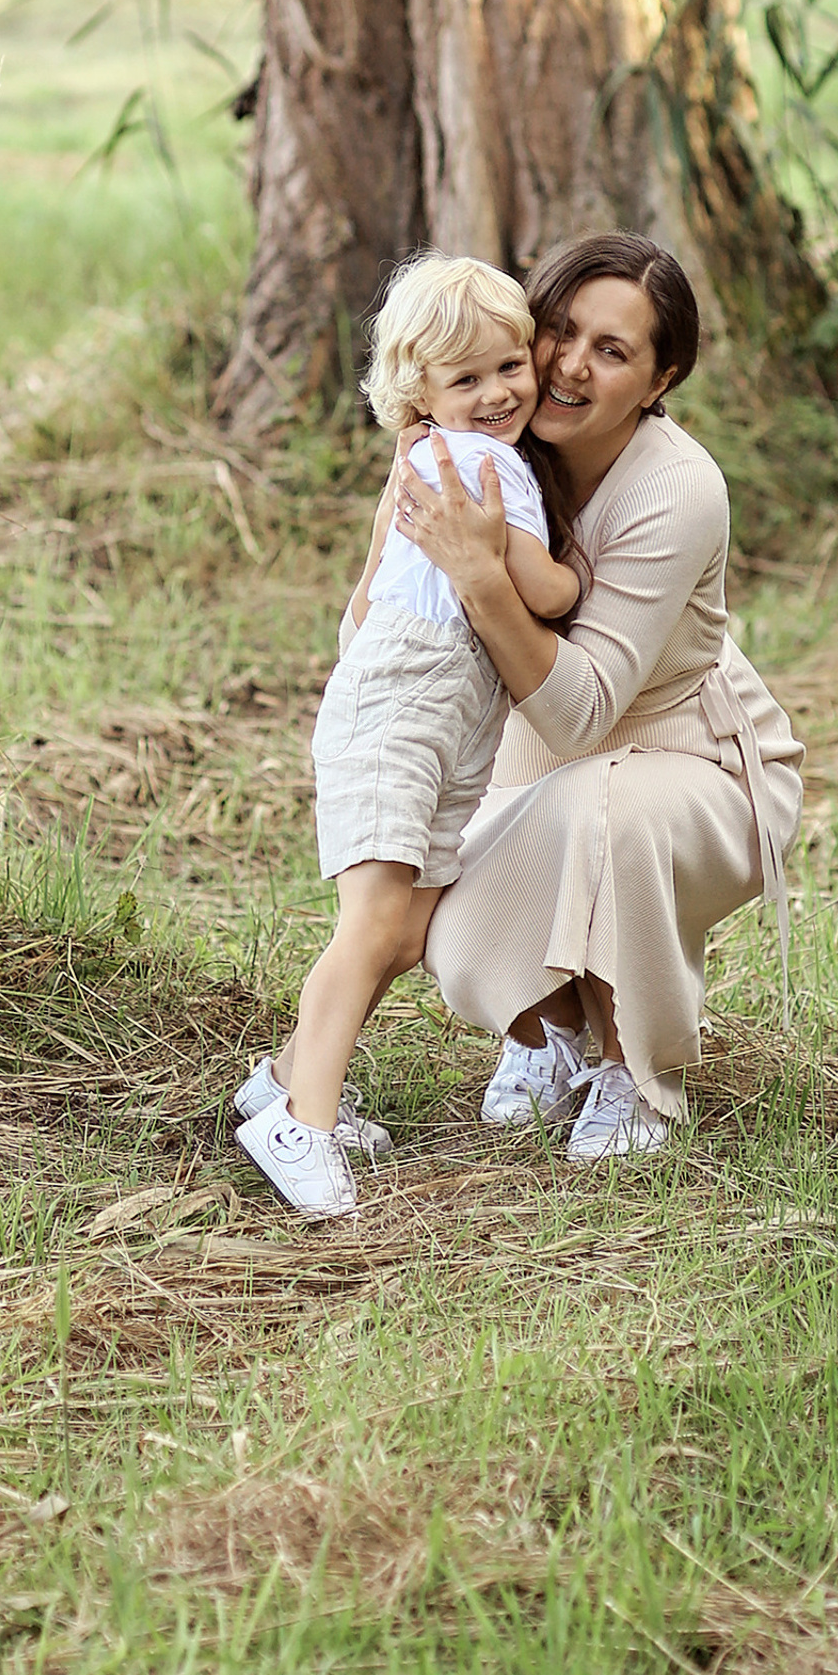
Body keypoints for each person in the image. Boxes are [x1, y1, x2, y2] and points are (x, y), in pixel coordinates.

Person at [238, 231, 804, 1183]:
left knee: (607, 809)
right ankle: (544, 1037)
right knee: (436, 921)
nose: (570, 366)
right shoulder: (486, 445)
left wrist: (479, 573)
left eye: (612, 350)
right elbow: (366, 622)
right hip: (537, 761)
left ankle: (634, 1071)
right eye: (560, 332)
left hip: (693, 768)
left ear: (660, 380)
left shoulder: (678, 487)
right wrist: (397, 524)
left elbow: (584, 713)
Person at [234, 255, 581, 1219]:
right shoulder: (475, 465)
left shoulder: (433, 459)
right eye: (466, 378)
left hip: (435, 712)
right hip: (405, 706)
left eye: (509, 366)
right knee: (375, 924)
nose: (498, 392)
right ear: (417, 391)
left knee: (406, 929)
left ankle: (285, 1081)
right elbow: (545, 589)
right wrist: (578, 574)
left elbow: (373, 584)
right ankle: (300, 1124)